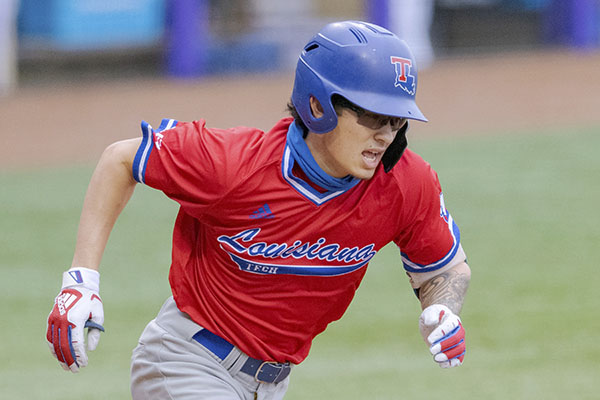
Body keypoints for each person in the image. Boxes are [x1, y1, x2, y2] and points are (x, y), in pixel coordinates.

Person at [46, 20, 471, 400]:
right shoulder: (233, 164)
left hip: (270, 385)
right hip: (186, 361)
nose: (385, 135)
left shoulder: (405, 184)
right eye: (371, 116)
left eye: (396, 121)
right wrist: (81, 280)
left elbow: (443, 270)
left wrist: (442, 310)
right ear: (319, 104)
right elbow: (121, 160)